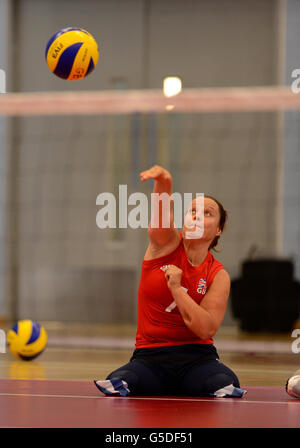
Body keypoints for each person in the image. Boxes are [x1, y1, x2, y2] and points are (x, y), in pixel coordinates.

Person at [94, 165, 246, 398]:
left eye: (207, 213)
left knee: (223, 382)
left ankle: (199, 384)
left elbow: (205, 328)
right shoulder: (165, 244)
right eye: (193, 211)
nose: (197, 216)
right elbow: (161, 215)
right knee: (121, 380)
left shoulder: (218, 274)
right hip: (150, 357)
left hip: (198, 358)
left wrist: (177, 288)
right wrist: (164, 182)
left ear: (218, 229)